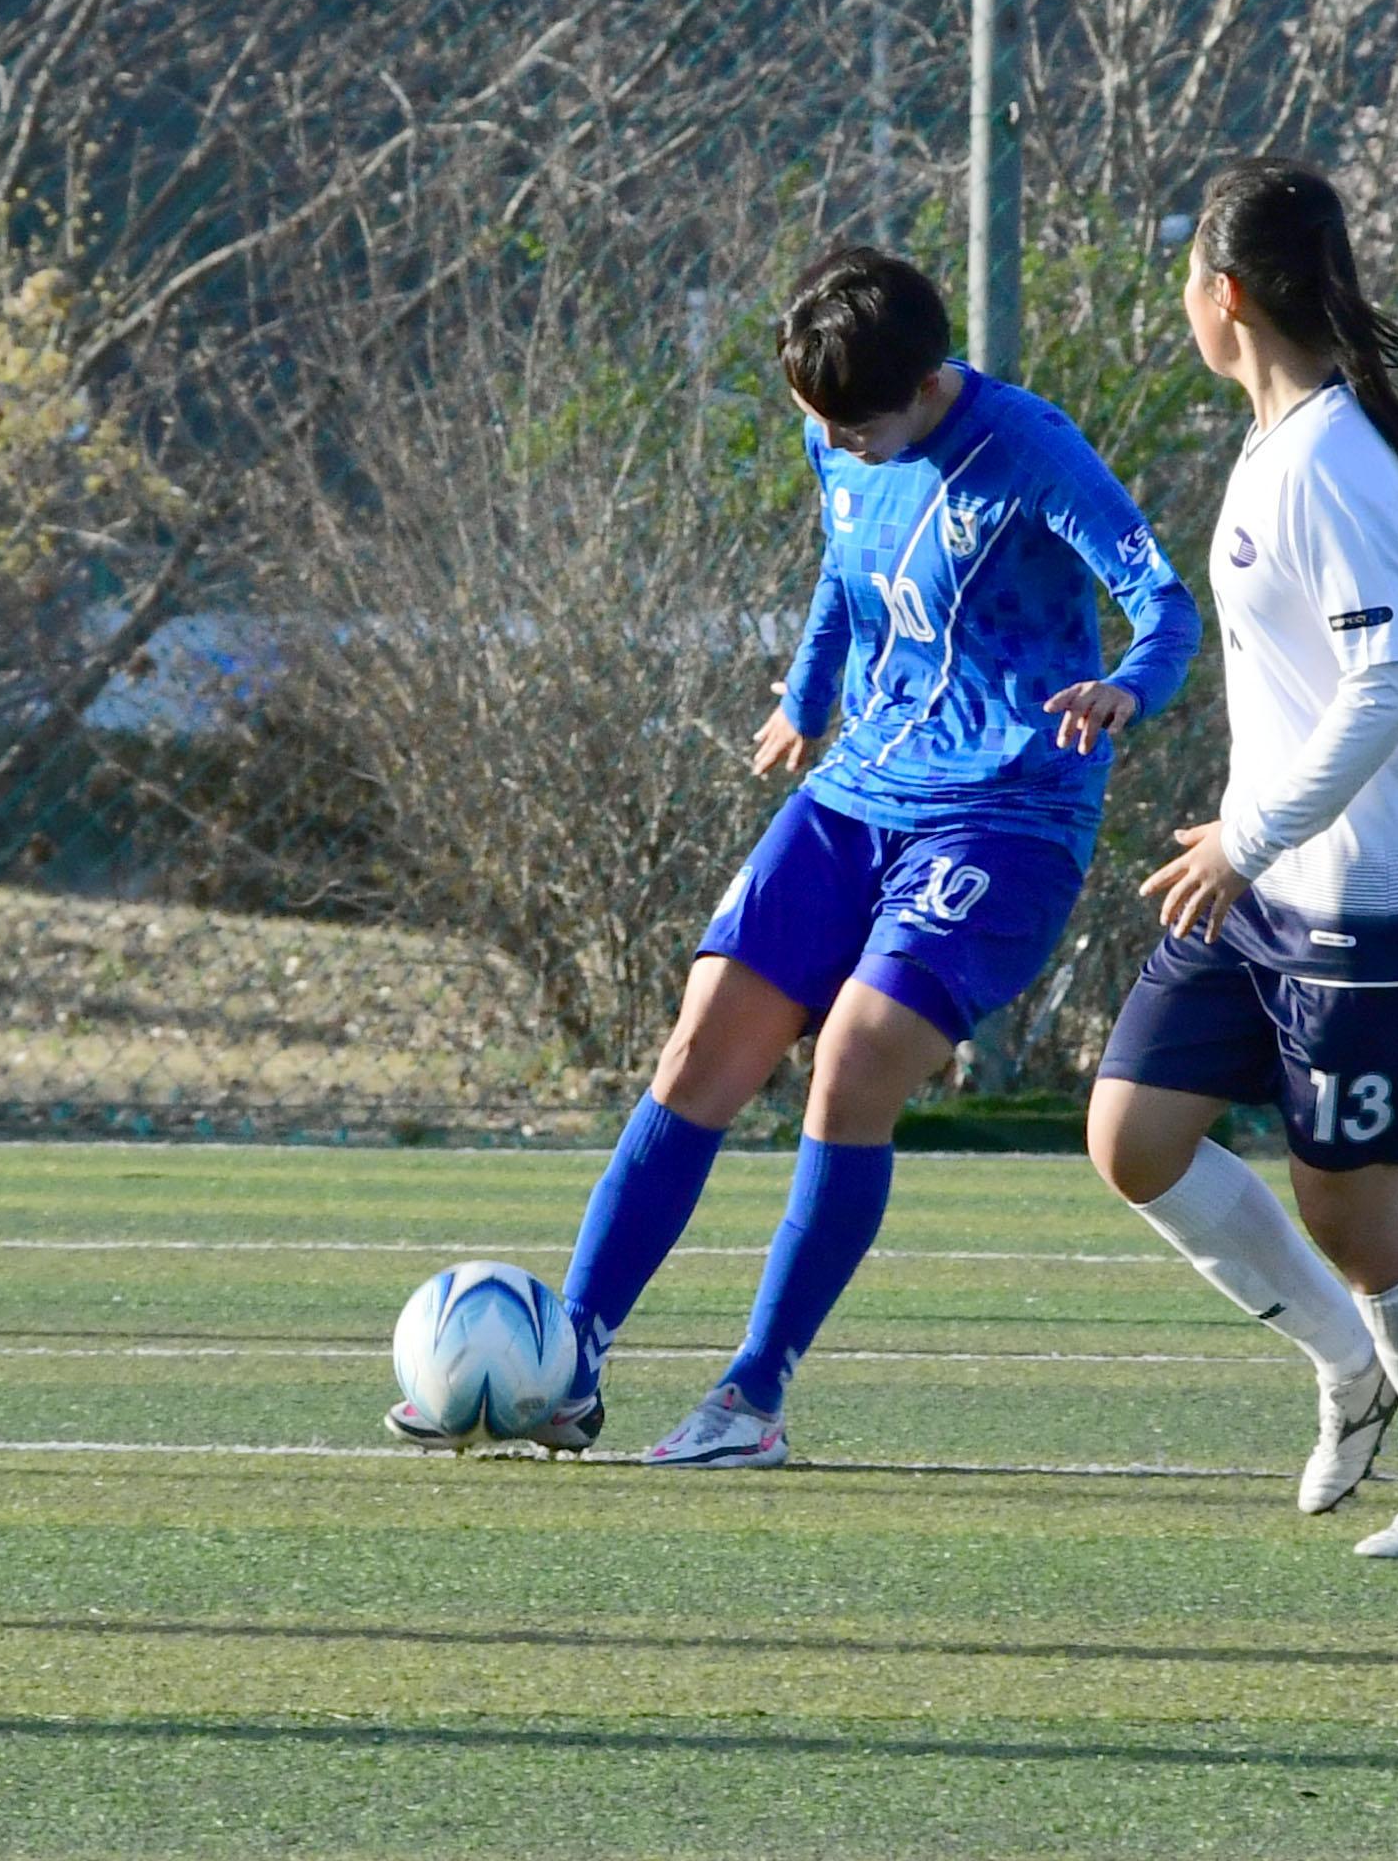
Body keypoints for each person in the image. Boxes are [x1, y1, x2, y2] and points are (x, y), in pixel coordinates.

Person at [394, 244, 1200, 1467]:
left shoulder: (1031, 447)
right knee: (701, 1043)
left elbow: (1167, 602)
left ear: (928, 384)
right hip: (853, 791)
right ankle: (574, 1361)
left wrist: (1125, 690)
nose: (835, 441)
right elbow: (841, 559)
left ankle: (751, 1396)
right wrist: (810, 694)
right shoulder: (838, 421)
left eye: (857, 424)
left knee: (854, 1060)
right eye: (817, 419)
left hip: (1004, 814)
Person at [1087, 156, 1398, 1558]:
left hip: (1366, 895)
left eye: (1183, 281)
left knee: (1351, 1209)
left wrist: (1256, 828)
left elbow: (1391, 676)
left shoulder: (1327, 458)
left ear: (1223, 298)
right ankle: (1349, 1365)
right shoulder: (1301, 447)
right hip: (1270, 882)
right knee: (1136, 1136)